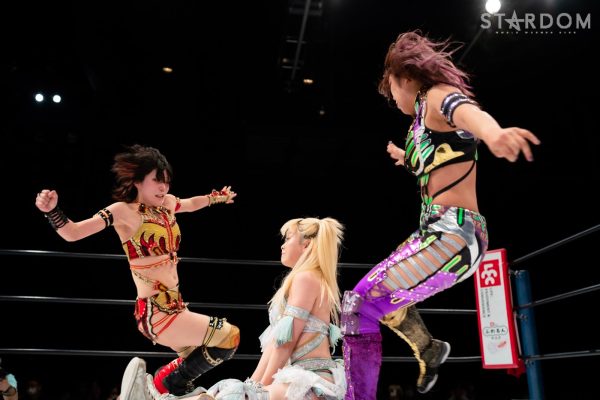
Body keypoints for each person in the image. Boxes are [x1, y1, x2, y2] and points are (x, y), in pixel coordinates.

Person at [340, 30, 540, 400]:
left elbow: (466, 111)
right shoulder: (420, 118)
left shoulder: (434, 95)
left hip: (452, 234)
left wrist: (493, 134)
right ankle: (428, 349)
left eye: (392, 91)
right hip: (443, 233)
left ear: (405, 77)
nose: (393, 100)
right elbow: (441, 158)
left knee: (358, 307)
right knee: (381, 299)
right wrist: (406, 157)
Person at [34, 144, 241, 399]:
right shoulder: (122, 211)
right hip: (157, 313)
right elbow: (73, 233)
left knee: (201, 359)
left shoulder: (167, 204)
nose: (163, 187)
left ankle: (165, 388)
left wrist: (217, 197)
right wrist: (52, 211)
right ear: (138, 181)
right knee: (230, 336)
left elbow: (191, 203)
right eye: (157, 180)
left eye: (166, 181)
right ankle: (168, 382)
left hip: (177, 308)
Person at [190, 217, 346, 400]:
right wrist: (253, 384)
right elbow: (276, 343)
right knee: (235, 392)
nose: (283, 245)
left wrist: (257, 389)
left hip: (310, 381)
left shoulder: (306, 278)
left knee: (238, 395)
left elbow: (286, 342)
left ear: (306, 245)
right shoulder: (308, 278)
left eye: (288, 238)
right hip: (302, 377)